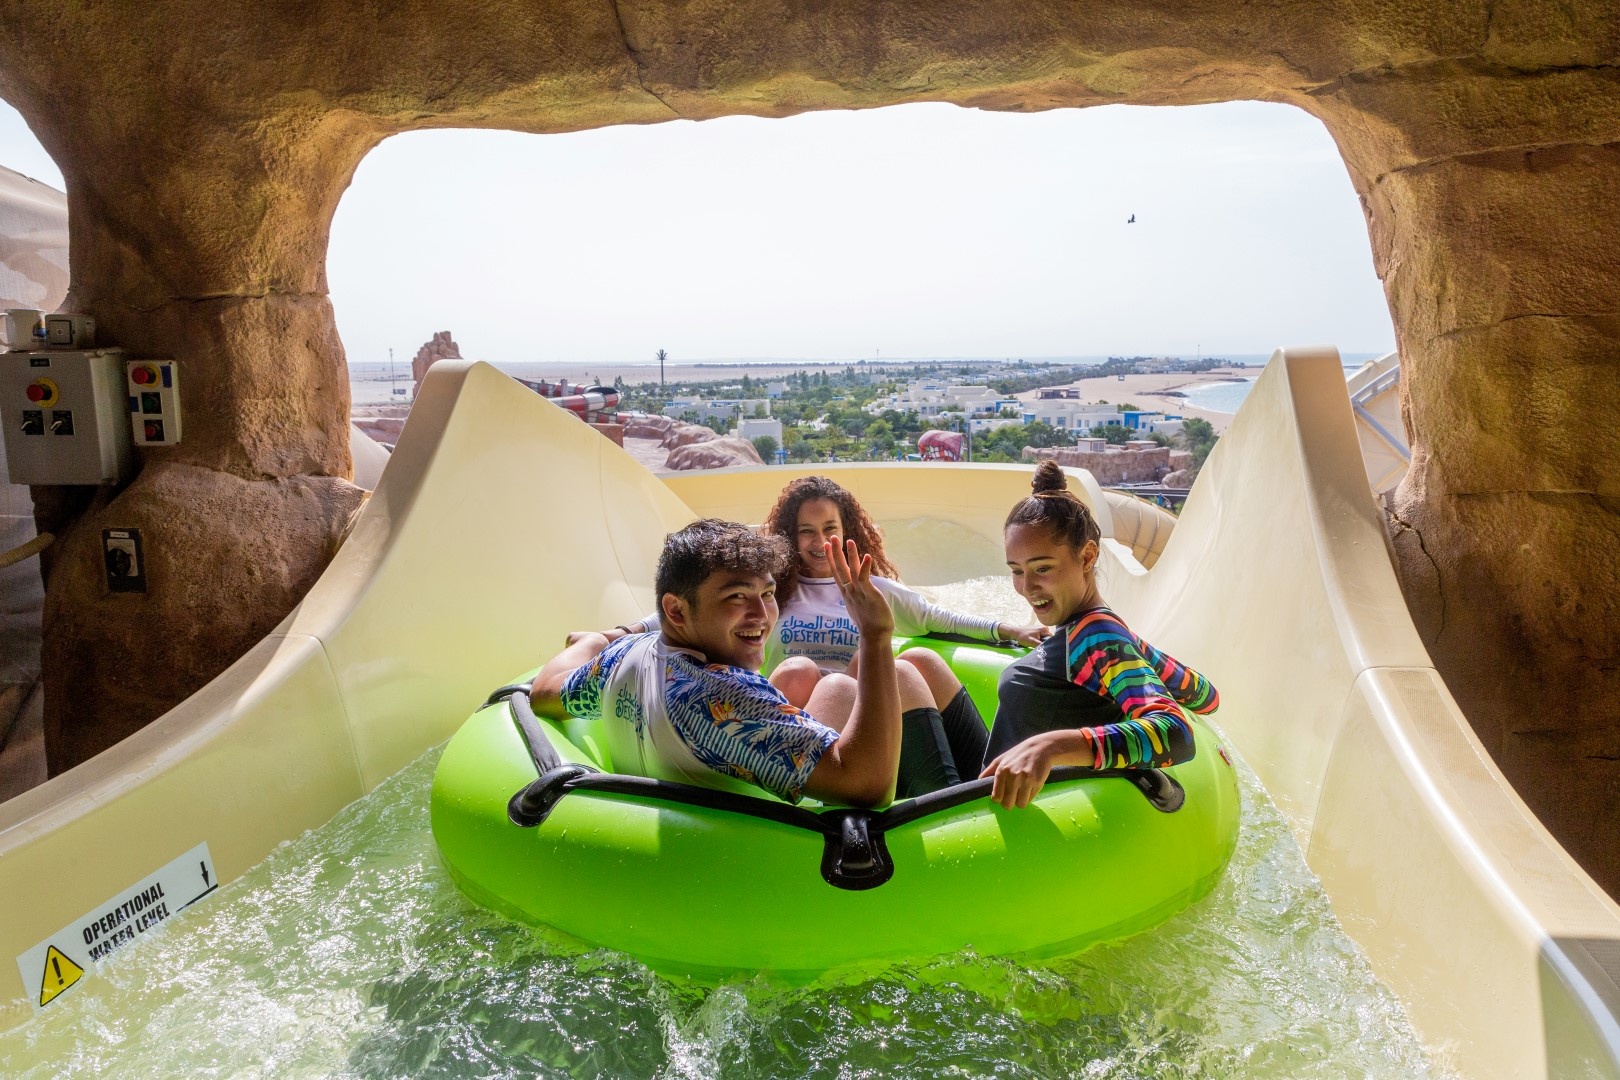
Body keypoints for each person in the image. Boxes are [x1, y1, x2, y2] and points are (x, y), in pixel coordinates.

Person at [529, 519, 945, 807]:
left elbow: (544, 692)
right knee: (897, 674)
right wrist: (875, 637)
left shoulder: (624, 655)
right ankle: (962, 803)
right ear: (676, 611)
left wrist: (597, 640)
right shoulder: (716, 695)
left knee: (821, 679)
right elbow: (867, 787)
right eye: (735, 598)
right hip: (781, 854)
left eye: (766, 594)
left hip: (702, 821)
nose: (761, 616)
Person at [980, 461, 1221, 809]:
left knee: (908, 670)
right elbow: (1206, 696)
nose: (1026, 587)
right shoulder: (1100, 630)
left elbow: (1176, 734)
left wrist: (1051, 746)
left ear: (1088, 556)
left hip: (994, 808)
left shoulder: (1097, 635)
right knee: (923, 664)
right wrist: (1134, 646)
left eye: (1042, 568)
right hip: (994, 781)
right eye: (1017, 571)